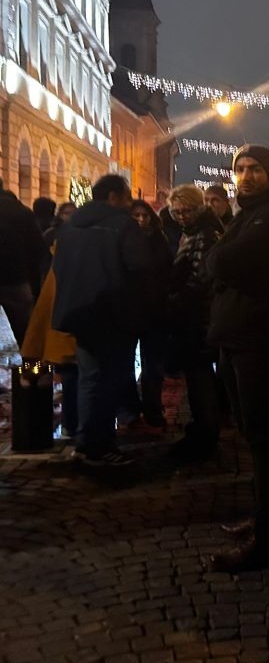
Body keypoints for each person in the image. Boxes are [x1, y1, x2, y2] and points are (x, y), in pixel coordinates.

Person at [207, 145, 269, 572]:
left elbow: (224, 260)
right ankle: (264, 516)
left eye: (255, 170)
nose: (245, 176)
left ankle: (265, 541)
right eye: (240, 169)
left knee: (262, 438)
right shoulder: (251, 213)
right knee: (251, 433)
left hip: (257, 337)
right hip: (236, 335)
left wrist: (218, 258)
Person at [52, 175, 151, 467]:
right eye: (126, 197)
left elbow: (58, 268)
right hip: (113, 314)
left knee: (89, 378)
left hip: (78, 313)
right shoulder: (122, 225)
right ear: (113, 197)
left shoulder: (70, 226)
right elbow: (140, 267)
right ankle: (100, 445)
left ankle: (86, 441)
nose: (130, 202)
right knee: (109, 380)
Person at [166, 185, 225, 460]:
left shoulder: (204, 234)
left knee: (200, 377)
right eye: (177, 212)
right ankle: (202, 428)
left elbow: (201, 279)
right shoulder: (194, 231)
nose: (182, 216)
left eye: (186, 211)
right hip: (196, 315)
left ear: (198, 208)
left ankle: (205, 433)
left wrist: (175, 299)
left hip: (200, 317)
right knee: (198, 376)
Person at [115, 200, 172, 432]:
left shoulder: (160, 240)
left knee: (154, 366)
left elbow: (168, 271)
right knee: (125, 365)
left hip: (155, 311)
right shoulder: (120, 240)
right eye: (135, 215)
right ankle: (129, 412)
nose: (140, 219)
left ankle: (153, 409)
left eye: (144, 215)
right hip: (127, 310)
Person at [0, 178, 44, 344]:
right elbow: (37, 249)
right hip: (16, 281)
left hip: (16, 280)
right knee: (19, 330)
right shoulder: (21, 212)